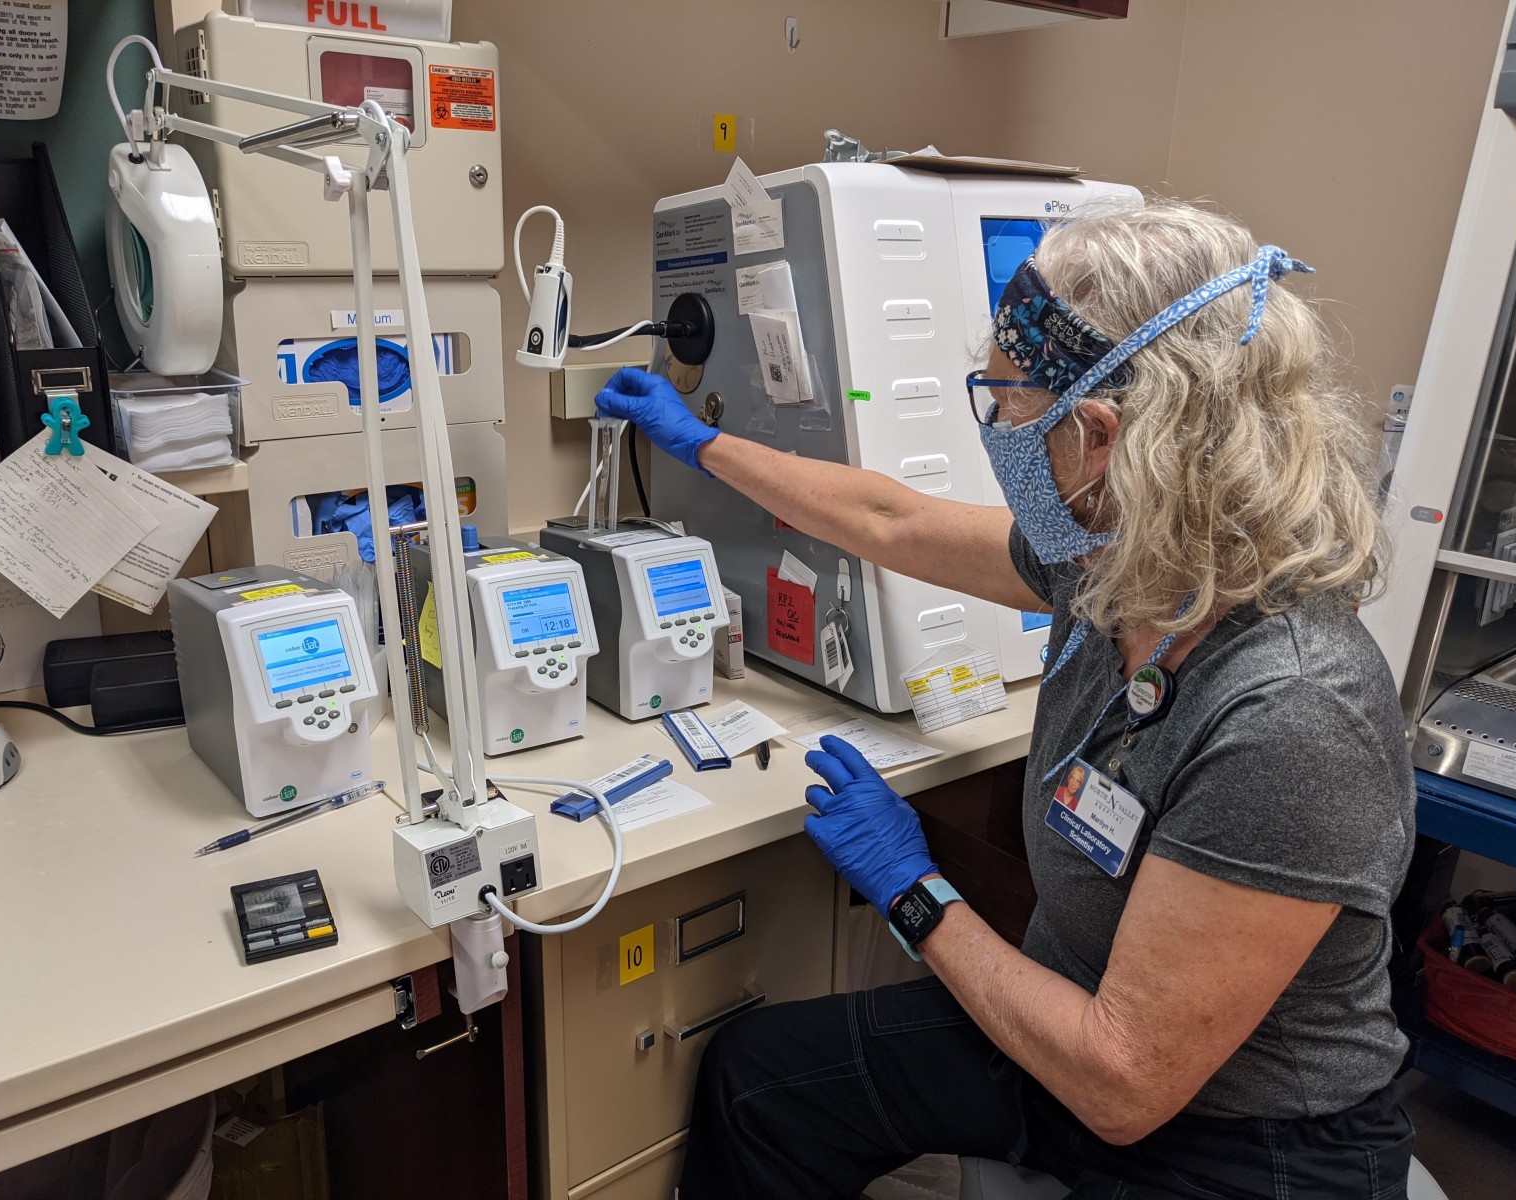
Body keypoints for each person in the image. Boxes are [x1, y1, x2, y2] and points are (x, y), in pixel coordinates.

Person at [596, 199, 1415, 1199]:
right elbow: (892, 520)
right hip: (1074, 1030)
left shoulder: (1290, 715)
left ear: (1101, 435)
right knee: (761, 1082)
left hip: (1243, 1142)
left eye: (1008, 404)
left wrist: (912, 890)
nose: (997, 430)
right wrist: (698, 444)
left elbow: (1122, 1083)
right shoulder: (1111, 559)